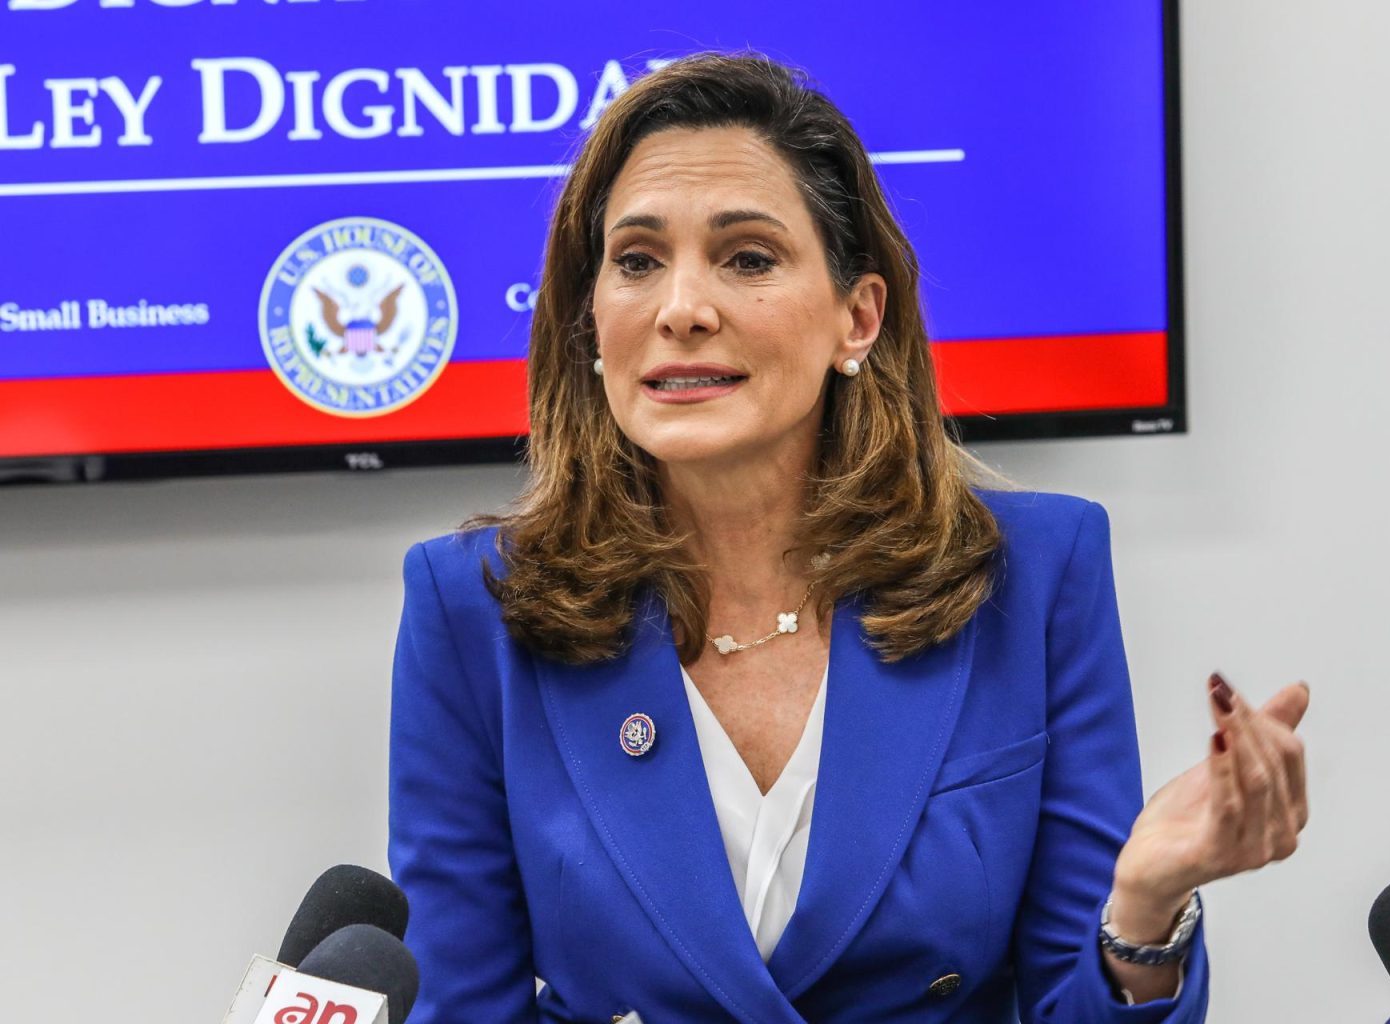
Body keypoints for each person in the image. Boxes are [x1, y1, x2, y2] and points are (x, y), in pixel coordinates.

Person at [387, 53, 1310, 1023]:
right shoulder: (475, 610)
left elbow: (1071, 1002)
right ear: (589, 317)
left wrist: (1147, 905)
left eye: (746, 258)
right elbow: (461, 1005)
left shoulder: (1033, 575)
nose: (680, 309)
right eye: (636, 261)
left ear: (857, 318)